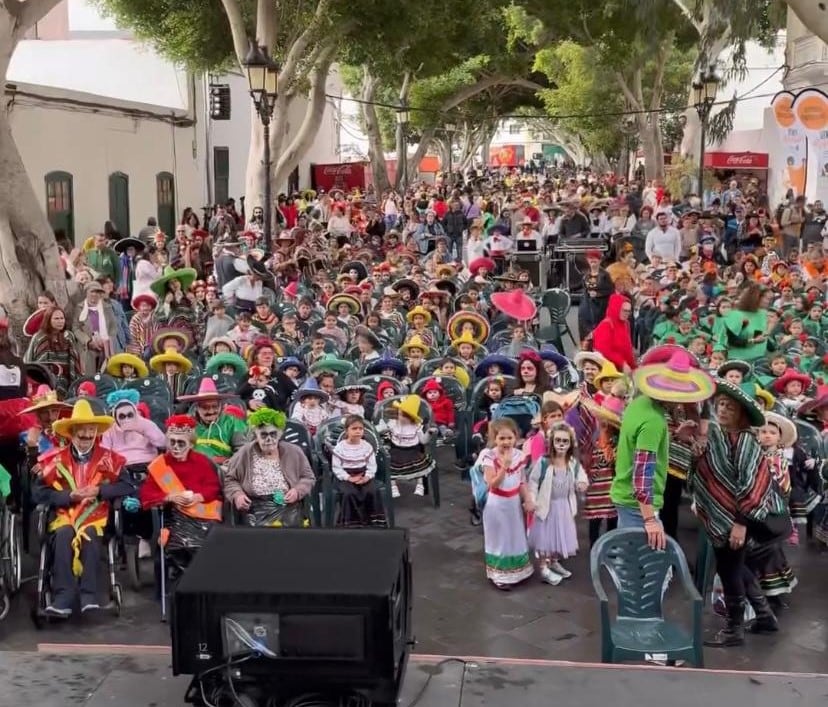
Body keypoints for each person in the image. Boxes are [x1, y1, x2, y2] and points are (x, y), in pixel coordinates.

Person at [690, 380, 789, 647]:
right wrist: (695, 447)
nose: (722, 410)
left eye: (730, 408)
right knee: (738, 566)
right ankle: (765, 617)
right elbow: (710, 471)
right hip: (720, 514)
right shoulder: (718, 436)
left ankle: (734, 629)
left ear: (741, 414)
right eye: (720, 405)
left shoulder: (746, 441)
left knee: (729, 569)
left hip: (737, 519)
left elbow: (751, 485)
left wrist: (740, 523)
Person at [33, 399, 132, 616]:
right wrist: (68, 495)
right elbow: (38, 493)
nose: (87, 436)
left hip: (96, 516)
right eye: (82, 431)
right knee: (63, 534)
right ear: (71, 433)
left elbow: (127, 485)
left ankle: (89, 596)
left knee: (88, 534)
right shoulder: (55, 459)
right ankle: (63, 597)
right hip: (64, 515)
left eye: (91, 430)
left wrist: (100, 492)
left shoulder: (110, 458)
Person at [611, 350, 714, 549]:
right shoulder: (654, 422)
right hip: (637, 507)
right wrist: (650, 520)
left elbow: (641, 445)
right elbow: (642, 475)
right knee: (642, 569)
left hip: (626, 499)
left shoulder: (638, 404)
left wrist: (674, 435)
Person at [138, 415, 223, 579]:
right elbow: (146, 494)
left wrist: (199, 496)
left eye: (181, 443)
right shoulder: (160, 465)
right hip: (174, 518)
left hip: (204, 516)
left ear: (191, 444)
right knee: (180, 547)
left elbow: (213, 487)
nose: (175, 447)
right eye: (172, 442)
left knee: (207, 545)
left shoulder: (202, 462)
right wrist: (169, 497)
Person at [223, 407, 315, 527]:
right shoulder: (245, 453)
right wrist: (237, 495)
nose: (269, 439)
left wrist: (297, 491)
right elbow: (230, 479)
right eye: (264, 435)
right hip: (255, 509)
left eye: (273, 434)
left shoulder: (294, 452)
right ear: (256, 435)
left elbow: (308, 477)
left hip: (287, 508)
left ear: (279, 434)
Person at [525, 422, 588, 585]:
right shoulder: (544, 462)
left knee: (558, 536)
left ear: (570, 443)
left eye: (565, 441)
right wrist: (531, 499)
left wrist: (581, 483)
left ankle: (553, 561)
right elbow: (533, 481)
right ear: (552, 442)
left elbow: (581, 476)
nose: (561, 444)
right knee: (546, 537)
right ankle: (544, 567)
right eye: (558, 440)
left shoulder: (573, 463)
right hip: (547, 506)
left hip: (564, 506)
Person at [479, 418, 533, 590]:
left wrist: (528, 499)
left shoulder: (519, 456)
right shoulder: (489, 456)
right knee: (499, 538)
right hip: (497, 503)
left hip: (514, 503)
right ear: (495, 439)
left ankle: (518, 571)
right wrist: (504, 466)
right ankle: (499, 574)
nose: (506, 442)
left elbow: (522, 480)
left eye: (509, 438)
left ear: (516, 437)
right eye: (501, 438)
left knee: (515, 535)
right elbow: (492, 483)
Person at [330, 414, 386, 527]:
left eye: (360, 429)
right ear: (346, 431)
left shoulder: (367, 446)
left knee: (372, 491)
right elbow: (337, 467)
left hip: (363, 475)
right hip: (346, 476)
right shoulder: (340, 447)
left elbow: (372, 465)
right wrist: (348, 478)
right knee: (349, 493)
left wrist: (367, 477)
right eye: (354, 428)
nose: (358, 431)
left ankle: (372, 521)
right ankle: (352, 522)